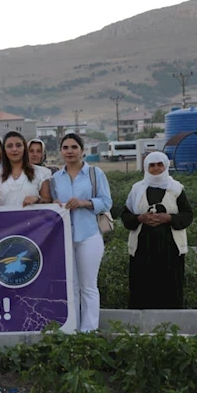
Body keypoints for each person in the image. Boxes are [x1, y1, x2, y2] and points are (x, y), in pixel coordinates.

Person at [50, 133, 112, 332]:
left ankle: (89, 330)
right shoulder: (55, 178)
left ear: (82, 150)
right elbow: (51, 204)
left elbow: (106, 202)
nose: (70, 151)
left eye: (74, 147)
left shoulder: (94, 173)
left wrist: (85, 203)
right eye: (66, 147)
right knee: (71, 286)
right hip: (64, 238)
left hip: (89, 234)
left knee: (88, 286)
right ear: (61, 151)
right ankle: (72, 329)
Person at [120, 152, 193, 309]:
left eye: (160, 164)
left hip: (170, 251)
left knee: (170, 291)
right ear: (146, 167)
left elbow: (188, 215)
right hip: (142, 251)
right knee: (142, 290)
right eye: (152, 165)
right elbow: (126, 215)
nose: (156, 168)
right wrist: (140, 218)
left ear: (166, 166)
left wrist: (169, 218)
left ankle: (170, 323)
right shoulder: (137, 189)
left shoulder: (176, 189)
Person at [0, 131, 52, 208]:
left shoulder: (41, 173)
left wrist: (37, 199)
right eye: (9, 146)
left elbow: (48, 200)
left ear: (24, 148)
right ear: (4, 150)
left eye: (18, 145)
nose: (14, 149)